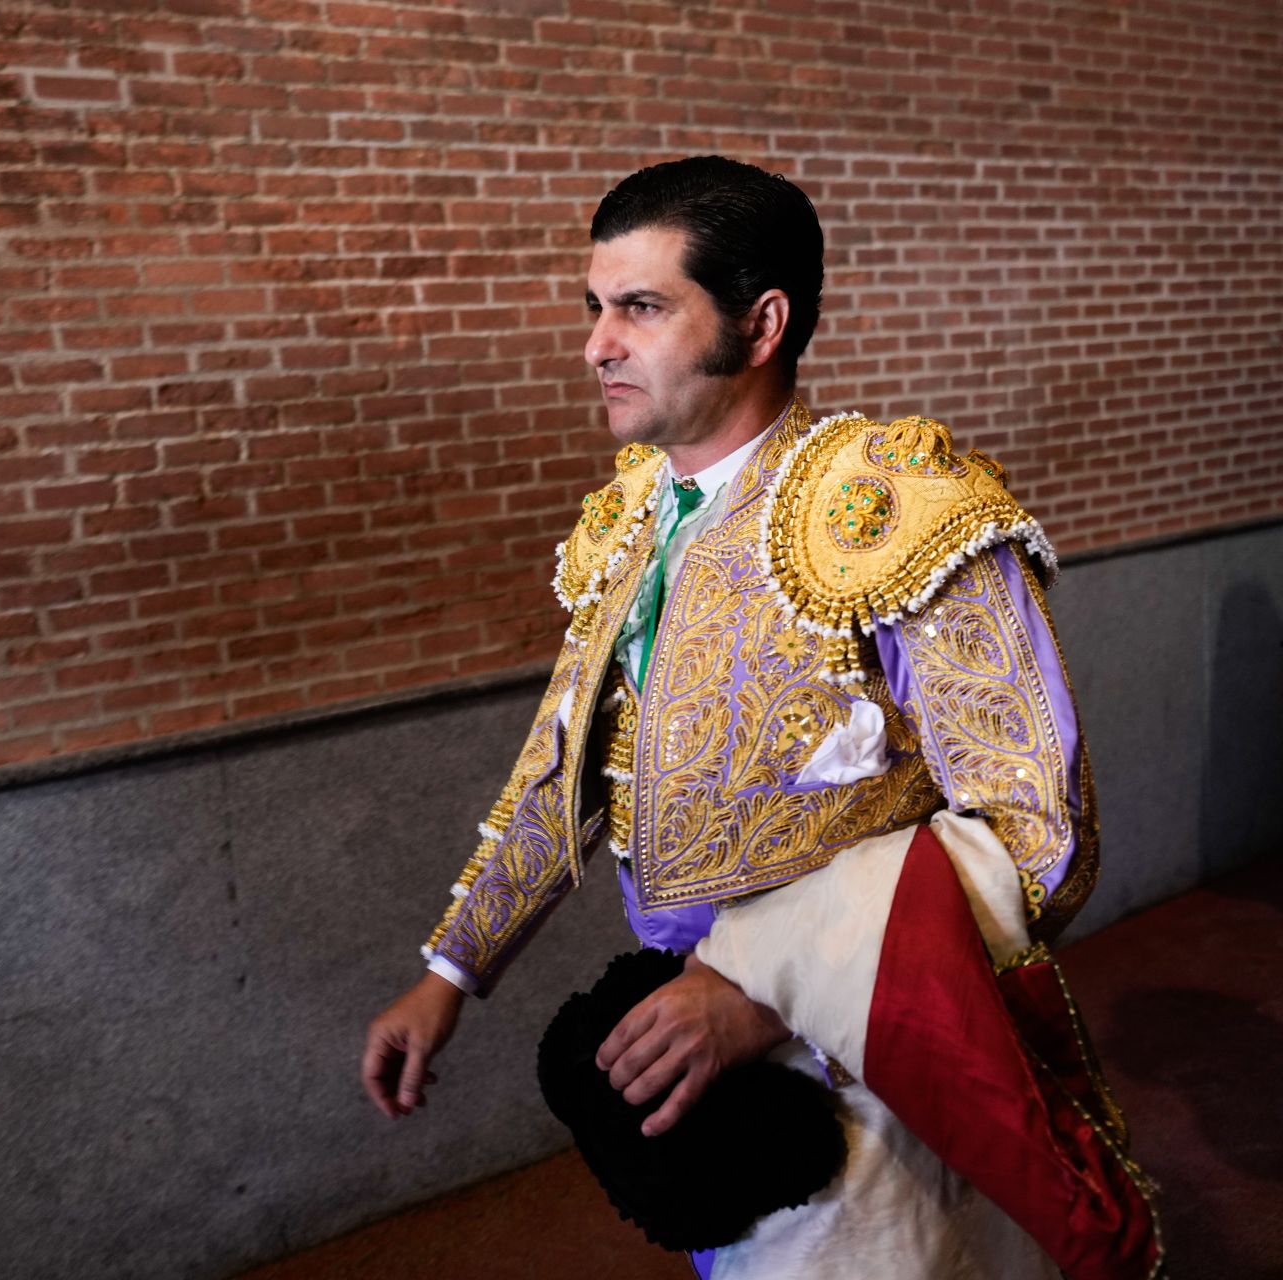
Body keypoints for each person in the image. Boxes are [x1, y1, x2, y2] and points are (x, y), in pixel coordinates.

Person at [359, 156, 1156, 1278]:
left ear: (762, 320)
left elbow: (1041, 836)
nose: (597, 343)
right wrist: (450, 972)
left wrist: (764, 993)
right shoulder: (636, 514)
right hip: (702, 1055)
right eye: (594, 307)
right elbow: (564, 768)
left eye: (641, 306)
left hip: (869, 1054)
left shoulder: (893, 507)